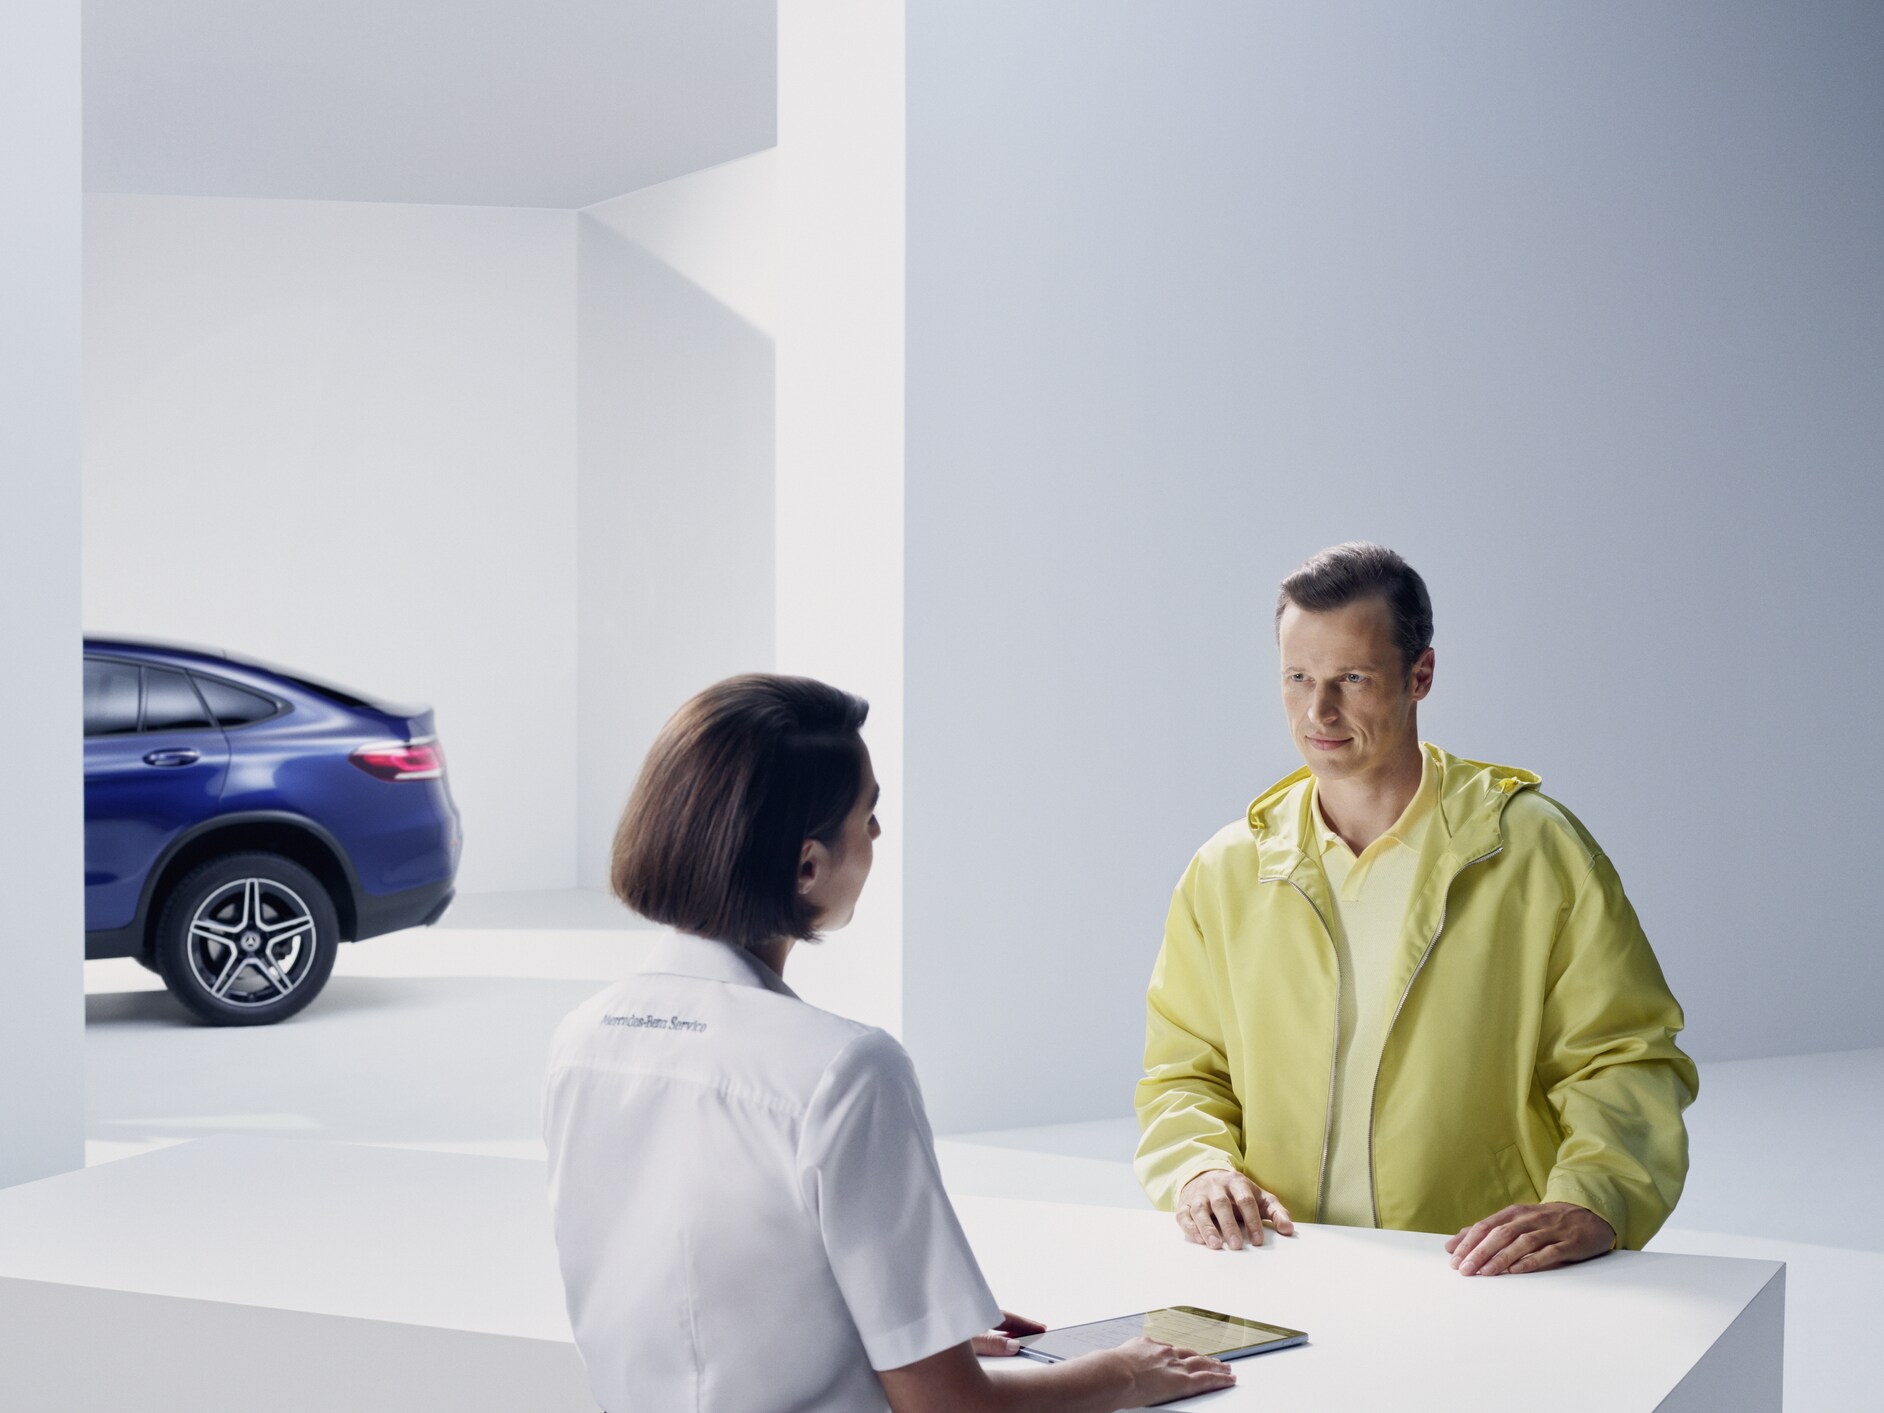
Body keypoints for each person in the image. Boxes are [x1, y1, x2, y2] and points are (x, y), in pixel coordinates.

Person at [546, 674, 1236, 1412]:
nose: (876, 837)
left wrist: (899, 1326)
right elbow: (949, 1409)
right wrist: (1119, 1373)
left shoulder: (583, 1038)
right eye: (868, 815)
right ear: (808, 865)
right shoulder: (843, 1070)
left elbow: (691, 1298)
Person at [1134, 543, 1699, 1277]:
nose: (1319, 711)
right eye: (1298, 677)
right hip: (1278, 1269)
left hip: (1478, 1273)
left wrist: (1597, 1196)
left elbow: (1624, 1054)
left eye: (1353, 678)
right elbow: (1183, 1072)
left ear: (1420, 675)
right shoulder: (1228, 870)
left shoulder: (1532, 848)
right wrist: (1199, 1169)